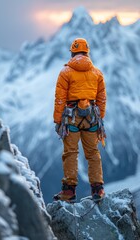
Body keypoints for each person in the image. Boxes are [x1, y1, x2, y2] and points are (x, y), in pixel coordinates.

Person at [53, 38, 107, 203]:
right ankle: (98, 189)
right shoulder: (97, 73)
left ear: (72, 52)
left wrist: (57, 120)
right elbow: (102, 98)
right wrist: (100, 119)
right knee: (93, 153)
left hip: (71, 118)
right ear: (87, 53)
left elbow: (60, 99)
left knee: (70, 153)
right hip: (91, 117)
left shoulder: (65, 72)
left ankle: (69, 191)